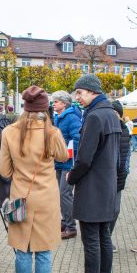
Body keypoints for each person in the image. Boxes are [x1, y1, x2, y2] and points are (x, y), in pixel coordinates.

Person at [0, 85, 68, 273]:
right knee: (45, 251)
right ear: (45, 109)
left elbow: (4, 171)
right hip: (48, 198)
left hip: (21, 198)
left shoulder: (9, 132)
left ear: (25, 107)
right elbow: (62, 157)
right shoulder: (53, 133)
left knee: (23, 251)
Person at [60, 74, 121, 273]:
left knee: (92, 241)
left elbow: (84, 159)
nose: (77, 97)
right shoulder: (111, 115)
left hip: (93, 189)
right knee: (104, 237)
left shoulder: (95, 117)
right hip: (107, 187)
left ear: (93, 91)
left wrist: (71, 177)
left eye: (80, 92)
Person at [52, 90, 82, 239]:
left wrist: (66, 154)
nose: (53, 104)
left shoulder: (71, 118)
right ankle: (64, 221)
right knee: (60, 194)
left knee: (65, 194)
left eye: (56, 101)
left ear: (64, 103)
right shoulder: (58, 117)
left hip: (68, 163)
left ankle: (71, 228)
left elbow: (78, 139)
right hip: (59, 162)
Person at [109, 101, 131, 253]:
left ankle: (106, 237)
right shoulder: (106, 129)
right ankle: (103, 240)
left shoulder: (125, 131)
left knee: (115, 211)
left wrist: (126, 172)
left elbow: (127, 155)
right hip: (105, 179)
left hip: (119, 178)